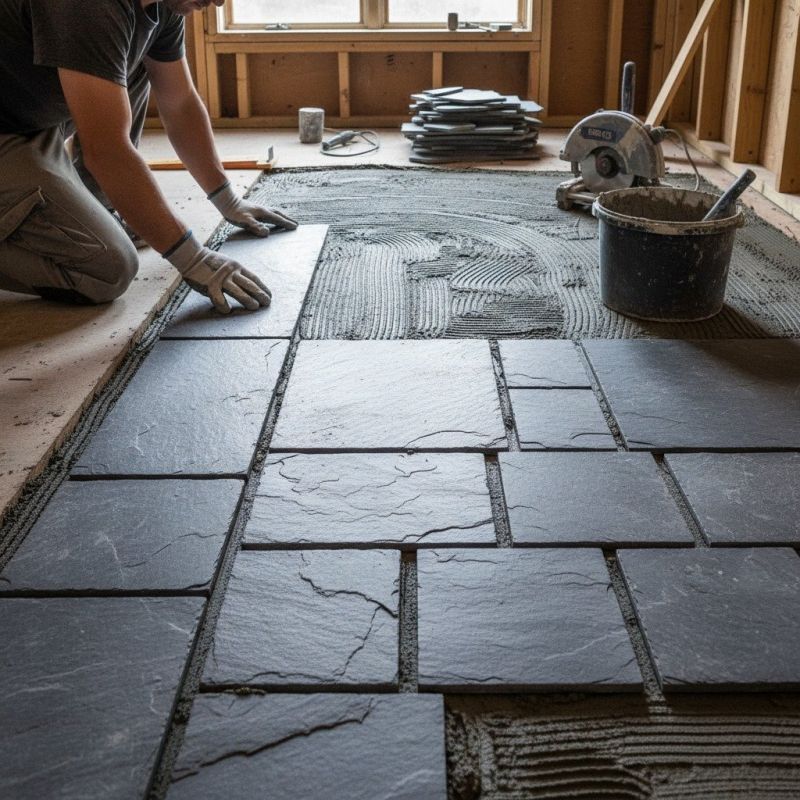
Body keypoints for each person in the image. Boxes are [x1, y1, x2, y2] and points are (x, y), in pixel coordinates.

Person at [0, 0, 297, 314]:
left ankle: (97, 203)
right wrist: (192, 259)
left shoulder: (165, 4)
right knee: (107, 270)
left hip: (31, 113)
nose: (220, 2)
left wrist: (227, 200)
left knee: (132, 60)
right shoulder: (88, 7)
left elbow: (179, 102)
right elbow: (107, 151)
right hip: (8, 131)